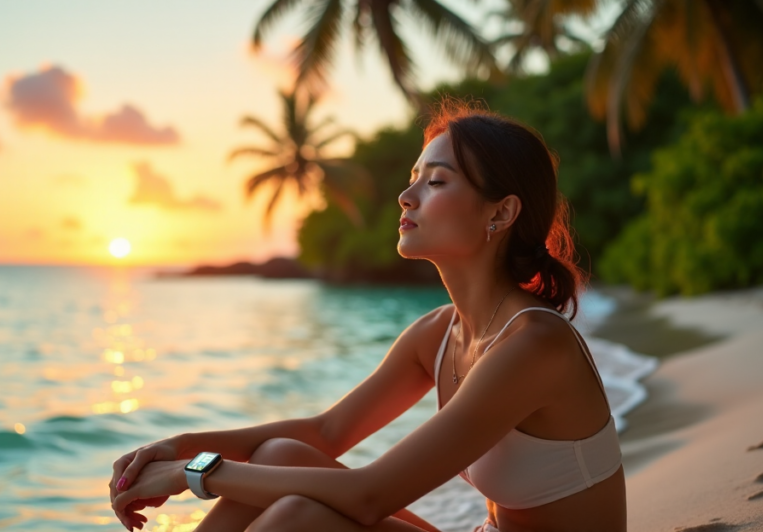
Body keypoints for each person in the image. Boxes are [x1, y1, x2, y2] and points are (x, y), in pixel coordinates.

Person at [108, 100, 626, 532]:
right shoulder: (438, 335)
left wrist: (193, 473)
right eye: (413, 178)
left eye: (436, 182)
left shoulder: (533, 345)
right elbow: (327, 432)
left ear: (501, 212)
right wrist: (180, 446)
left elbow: (369, 495)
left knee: (297, 516)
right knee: (281, 454)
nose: (406, 196)